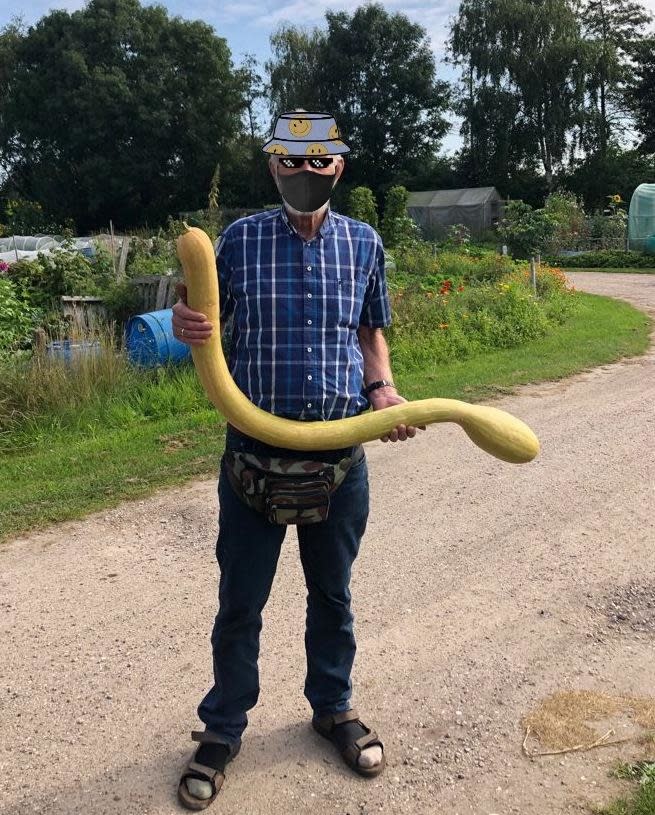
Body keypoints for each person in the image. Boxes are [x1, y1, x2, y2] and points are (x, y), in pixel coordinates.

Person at [172, 110, 421, 810]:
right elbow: (198, 313)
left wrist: (384, 389)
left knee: (333, 595)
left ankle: (332, 708)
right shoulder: (237, 240)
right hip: (252, 452)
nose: (306, 172)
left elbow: (371, 331)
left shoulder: (364, 243)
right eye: (292, 159)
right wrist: (183, 319)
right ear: (272, 163)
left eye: (320, 161)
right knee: (240, 604)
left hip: (340, 452)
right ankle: (222, 728)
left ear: (338, 166)